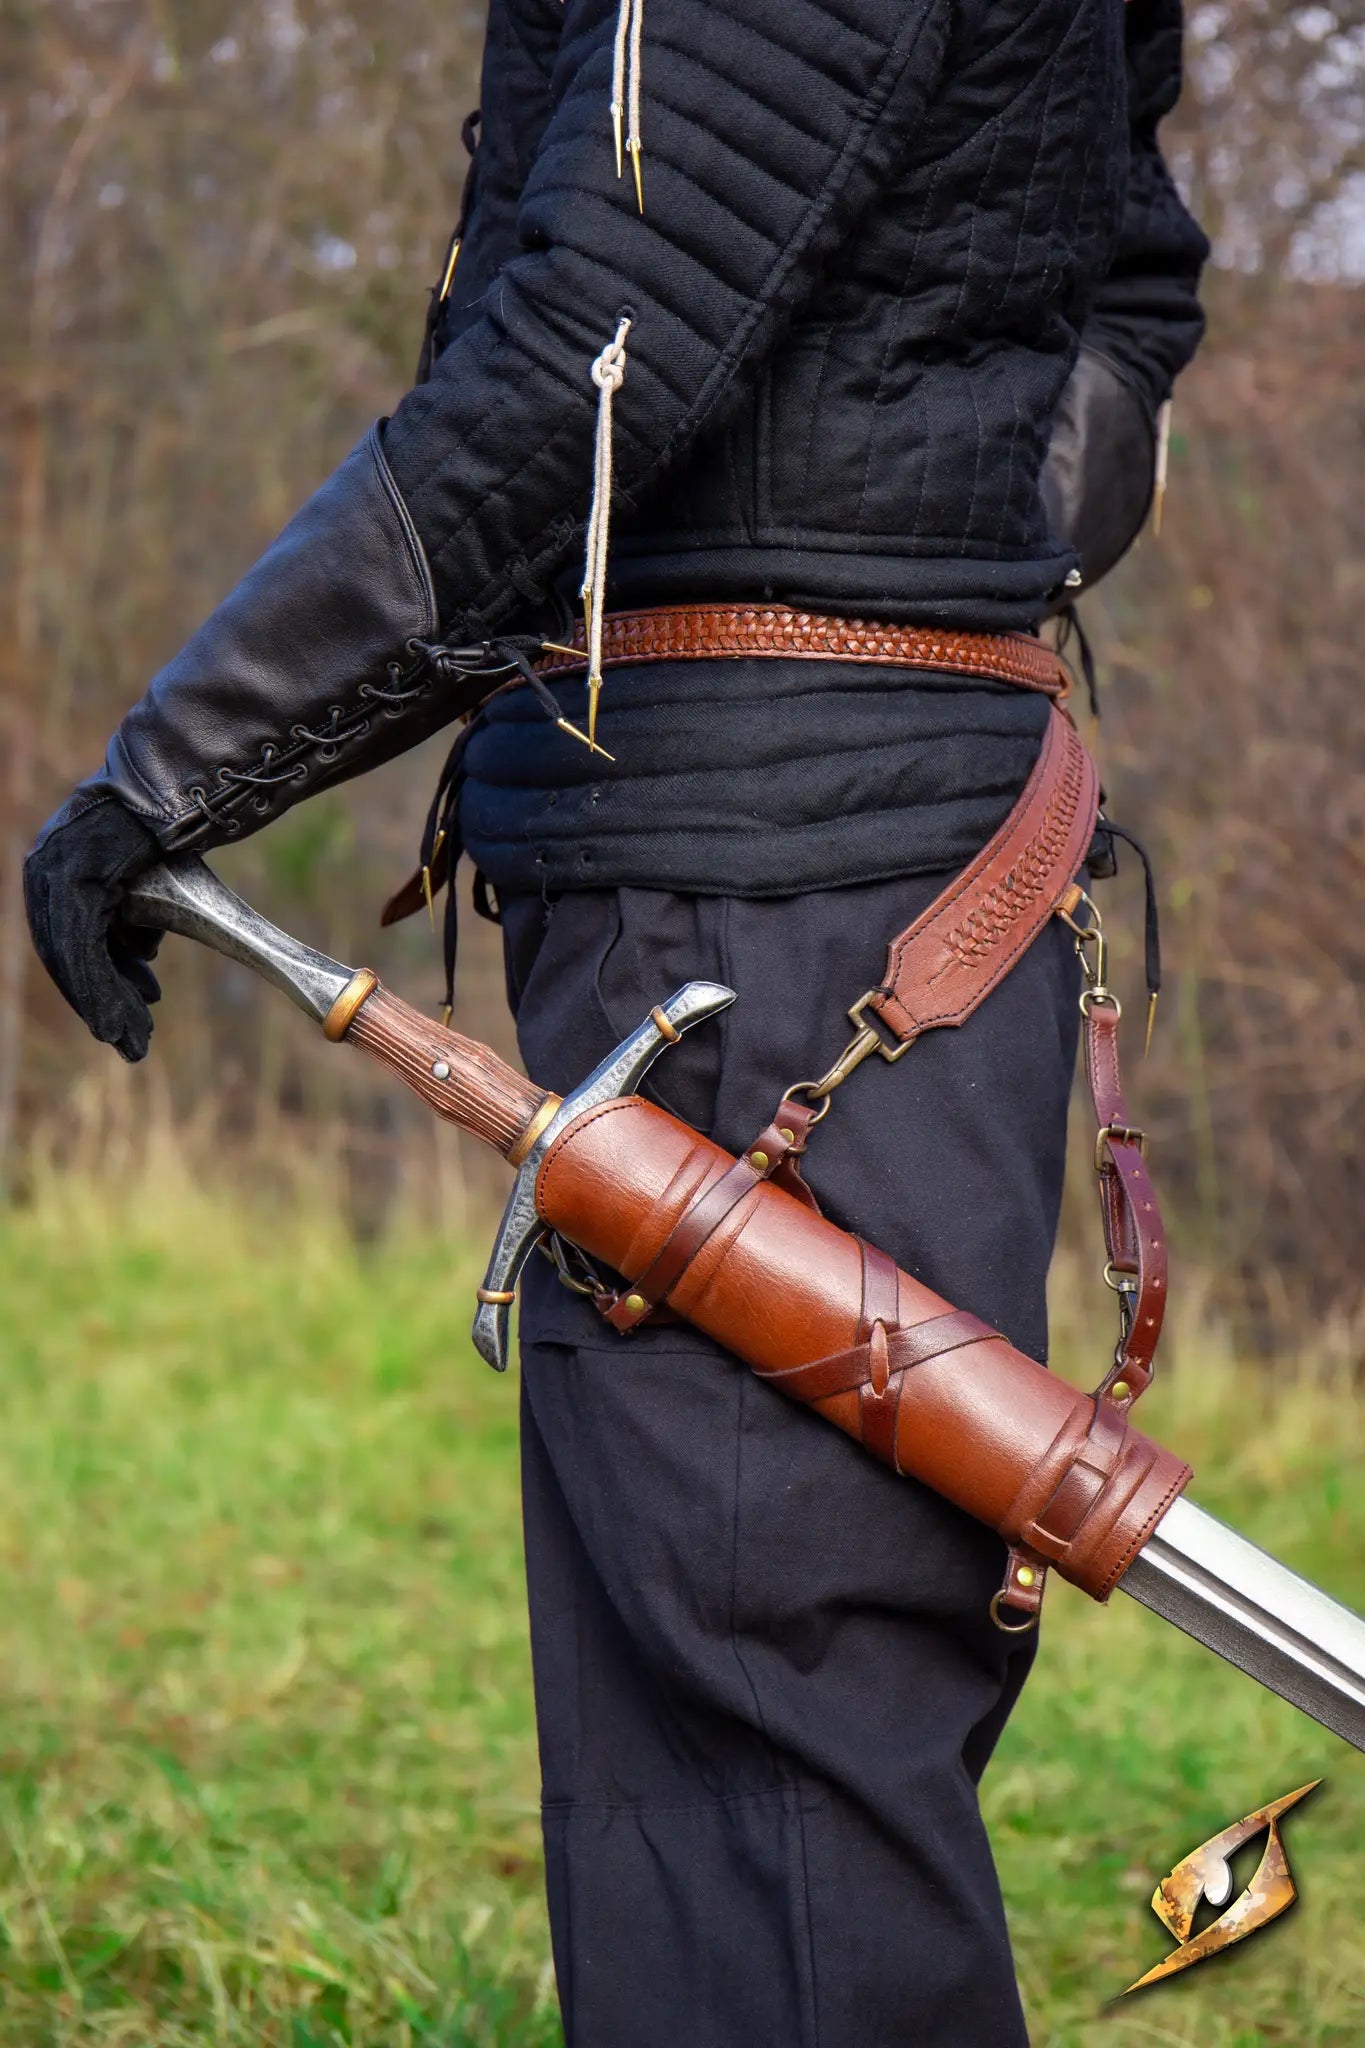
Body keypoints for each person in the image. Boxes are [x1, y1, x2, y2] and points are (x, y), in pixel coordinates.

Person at [25, 0, 1207, 2039]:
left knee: (765, 1771)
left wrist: (179, 767)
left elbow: (591, 349)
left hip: (771, 926)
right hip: (856, 878)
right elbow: (1127, 287)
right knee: (762, 1760)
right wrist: (924, 556)